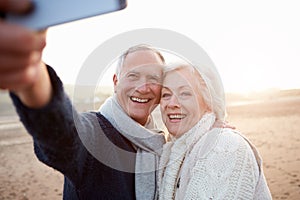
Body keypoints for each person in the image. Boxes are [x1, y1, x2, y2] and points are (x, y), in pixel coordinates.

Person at [1, 1, 167, 199]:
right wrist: (33, 74)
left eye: (153, 78)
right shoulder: (95, 133)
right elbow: (61, 135)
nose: (143, 87)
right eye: (133, 76)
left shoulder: (159, 142)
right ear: (116, 82)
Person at [158, 62, 272, 199]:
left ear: (208, 102)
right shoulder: (175, 150)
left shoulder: (224, 145)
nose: (171, 104)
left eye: (185, 93)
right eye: (165, 94)